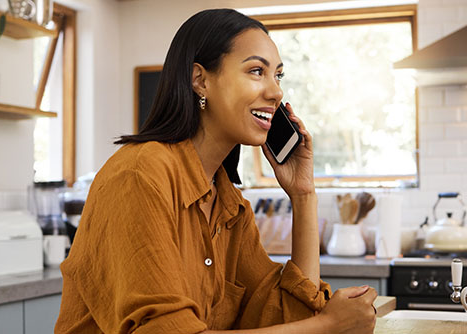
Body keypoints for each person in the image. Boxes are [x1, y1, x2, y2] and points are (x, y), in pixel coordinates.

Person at [54, 8, 377, 334]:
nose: (276, 92)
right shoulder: (139, 177)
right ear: (200, 80)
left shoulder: (229, 205)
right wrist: (330, 324)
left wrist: (303, 195)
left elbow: (288, 318)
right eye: (256, 71)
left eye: (277, 75)